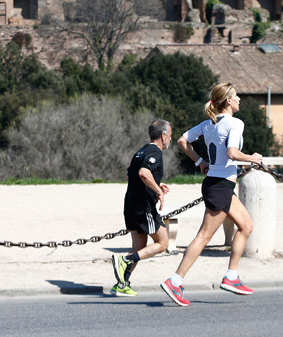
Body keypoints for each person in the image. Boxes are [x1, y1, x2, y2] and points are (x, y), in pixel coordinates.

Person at [160, 83, 262, 307]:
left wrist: (200, 162)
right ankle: (175, 281)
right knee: (204, 237)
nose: (239, 100)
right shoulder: (235, 123)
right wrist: (253, 157)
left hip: (218, 184)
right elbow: (232, 153)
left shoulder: (209, 124)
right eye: (236, 96)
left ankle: (231, 277)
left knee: (246, 226)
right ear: (227, 101)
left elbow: (181, 140)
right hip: (219, 186)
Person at [110, 119, 173, 296]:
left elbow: (132, 177)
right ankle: (125, 260)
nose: (170, 139)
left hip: (130, 204)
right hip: (144, 207)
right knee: (163, 243)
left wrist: (157, 185)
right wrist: (158, 192)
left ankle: (122, 284)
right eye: (170, 135)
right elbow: (143, 173)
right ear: (163, 136)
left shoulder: (141, 151)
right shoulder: (155, 152)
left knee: (139, 245)